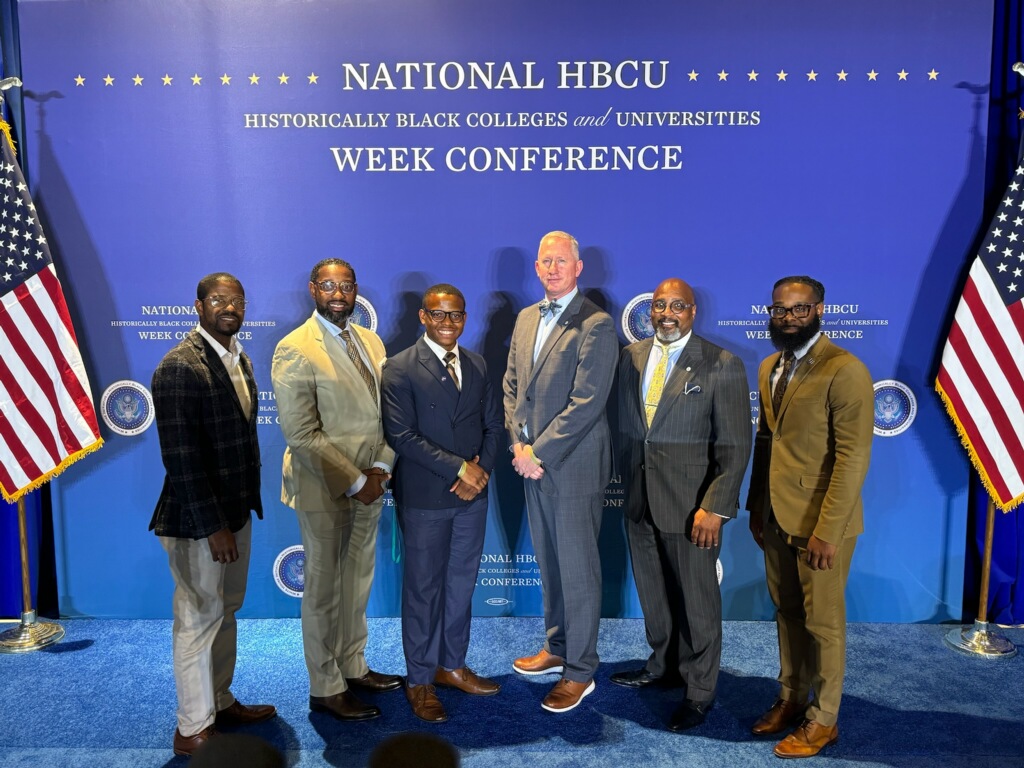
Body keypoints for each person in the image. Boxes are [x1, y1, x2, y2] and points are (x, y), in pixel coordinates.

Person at [613, 278, 752, 732]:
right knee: (654, 595)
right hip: (639, 498)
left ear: (693, 312)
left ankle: (699, 692)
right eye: (658, 305)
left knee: (697, 603)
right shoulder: (630, 357)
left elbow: (734, 445)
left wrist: (716, 507)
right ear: (648, 312)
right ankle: (662, 667)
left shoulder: (721, 363)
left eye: (677, 306)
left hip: (694, 508)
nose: (666, 313)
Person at [746, 275, 874, 759]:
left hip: (822, 526)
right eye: (779, 310)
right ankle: (791, 695)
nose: (788, 318)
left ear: (819, 310)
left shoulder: (845, 370)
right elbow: (766, 443)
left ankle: (824, 720)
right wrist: (757, 506)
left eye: (799, 310)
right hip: (775, 517)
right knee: (788, 613)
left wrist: (829, 532)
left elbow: (852, 459)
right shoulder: (768, 367)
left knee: (824, 622)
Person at [150, 273, 276, 757]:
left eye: (237, 299)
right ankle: (191, 729)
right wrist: (214, 526)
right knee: (197, 619)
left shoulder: (236, 357)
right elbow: (180, 458)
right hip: (198, 523)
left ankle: (220, 704)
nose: (229, 306)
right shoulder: (180, 366)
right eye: (219, 299)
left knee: (224, 613)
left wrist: (235, 516)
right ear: (198, 306)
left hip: (234, 515)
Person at [271, 258, 401, 722]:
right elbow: (302, 434)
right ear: (313, 290)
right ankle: (325, 687)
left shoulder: (370, 340)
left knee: (357, 581)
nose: (338, 293)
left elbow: (390, 412)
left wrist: (383, 467)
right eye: (329, 285)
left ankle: (353, 664)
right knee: (324, 587)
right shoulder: (294, 348)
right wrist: (357, 480)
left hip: (373, 481)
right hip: (323, 488)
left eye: (346, 285)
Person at [503, 230, 618, 713]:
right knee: (550, 563)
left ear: (578, 269)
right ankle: (557, 647)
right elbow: (512, 386)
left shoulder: (596, 325)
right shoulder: (527, 317)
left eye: (561, 261)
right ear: (537, 268)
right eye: (545, 261)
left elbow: (586, 404)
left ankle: (581, 670)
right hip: (531, 463)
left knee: (577, 570)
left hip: (571, 465)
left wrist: (537, 452)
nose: (552, 268)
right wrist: (517, 444)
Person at [381, 284, 504, 722]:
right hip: (426, 496)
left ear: (465, 318)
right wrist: (460, 469)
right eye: (439, 315)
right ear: (422, 316)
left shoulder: (477, 364)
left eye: (456, 315)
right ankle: (419, 680)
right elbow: (401, 436)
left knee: (460, 586)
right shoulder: (398, 368)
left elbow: (494, 425)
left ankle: (451, 665)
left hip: (473, 496)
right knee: (423, 591)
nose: (447, 323)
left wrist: (480, 472)